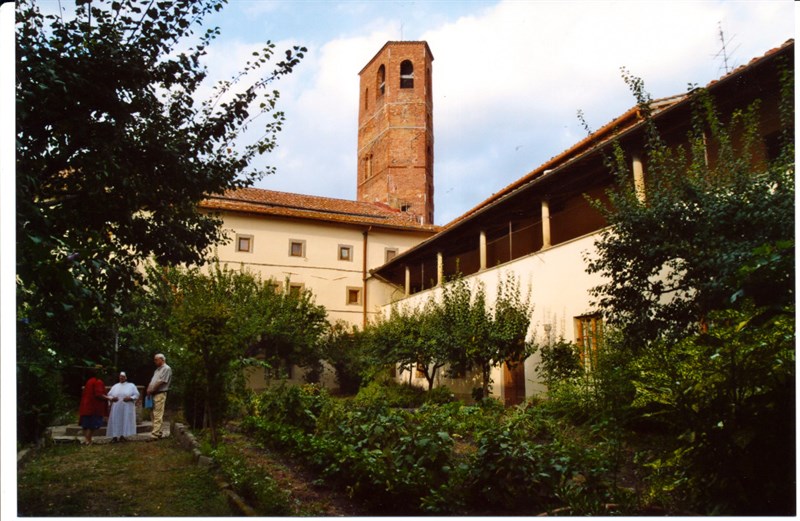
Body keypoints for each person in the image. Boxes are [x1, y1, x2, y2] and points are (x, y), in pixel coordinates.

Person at [78, 366, 111, 445]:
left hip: (86, 406)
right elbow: (99, 394)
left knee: (86, 425)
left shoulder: (89, 381)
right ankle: (88, 440)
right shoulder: (98, 382)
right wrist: (109, 398)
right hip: (94, 407)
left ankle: (87, 439)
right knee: (91, 425)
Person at [106, 371, 140, 442]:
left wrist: (130, 398)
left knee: (125, 420)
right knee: (116, 420)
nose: (121, 377)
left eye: (123, 376)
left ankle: (123, 436)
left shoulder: (131, 386)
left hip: (126, 407)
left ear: (126, 377)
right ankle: (114, 436)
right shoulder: (115, 386)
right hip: (116, 407)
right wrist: (112, 398)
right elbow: (109, 395)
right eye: (120, 376)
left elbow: (136, 395)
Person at [146, 353, 172, 439]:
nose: (155, 361)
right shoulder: (157, 370)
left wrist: (152, 389)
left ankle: (155, 434)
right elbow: (152, 381)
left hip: (160, 393)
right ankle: (158, 432)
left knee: (157, 414)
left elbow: (162, 381)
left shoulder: (166, 368)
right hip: (153, 393)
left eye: (156, 359)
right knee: (153, 414)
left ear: (162, 359)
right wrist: (149, 389)